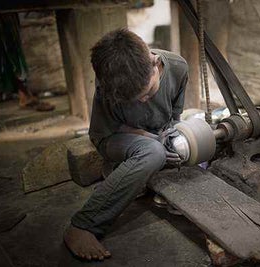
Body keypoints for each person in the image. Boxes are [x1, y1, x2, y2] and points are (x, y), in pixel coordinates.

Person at [64, 28, 187, 261]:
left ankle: (123, 170)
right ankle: (83, 225)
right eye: (136, 99)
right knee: (153, 152)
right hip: (114, 135)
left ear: (155, 63)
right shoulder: (109, 80)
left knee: (175, 147)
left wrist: (172, 136)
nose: (143, 100)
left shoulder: (178, 68)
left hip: (153, 134)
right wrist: (150, 139)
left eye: (148, 93)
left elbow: (175, 120)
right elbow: (111, 127)